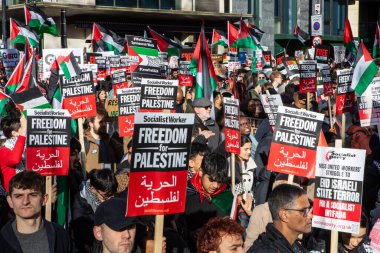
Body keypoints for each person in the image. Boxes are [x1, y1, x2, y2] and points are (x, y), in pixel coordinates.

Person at [0, 170, 72, 253]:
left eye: (33, 195)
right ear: (10, 201)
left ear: (44, 199)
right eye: (19, 196)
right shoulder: (2, 240)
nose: (25, 201)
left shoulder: (60, 235)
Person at [179, 153, 233, 251]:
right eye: (211, 180)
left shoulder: (227, 194)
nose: (215, 186)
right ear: (200, 172)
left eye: (220, 181)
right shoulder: (185, 192)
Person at [247, 184, 311, 253]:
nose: (310, 216)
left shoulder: (293, 246)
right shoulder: (266, 250)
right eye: (303, 211)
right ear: (284, 215)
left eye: (309, 209)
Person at [71, 169, 118, 253]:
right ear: (92, 189)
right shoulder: (80, 207)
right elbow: (87, 241)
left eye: (112, 194)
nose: (110, 200)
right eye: (106, 196)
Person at [83, 107, 124, 173]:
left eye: (105, 121)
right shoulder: (84, 143)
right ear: (91, 123)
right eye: (101, 122)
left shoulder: (110, 141)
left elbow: (124, 153)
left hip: (110, 181)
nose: (104, 124)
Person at [0, 111, 26, 192]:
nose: (26, 132)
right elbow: (15, 159)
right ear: (14, 133)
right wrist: (22, 136)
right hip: (12, 195)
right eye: (24, 129)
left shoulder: (25, 148)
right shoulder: (3, 150)